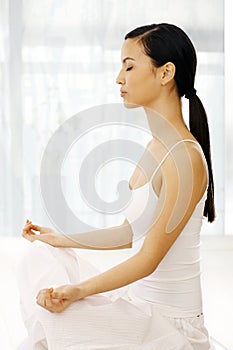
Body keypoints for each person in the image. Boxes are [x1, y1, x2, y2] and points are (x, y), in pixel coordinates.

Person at [17, 23, 216, 350]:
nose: (118, 78)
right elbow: (130, 233)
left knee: (54, 321)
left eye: (129, 65)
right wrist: (61, 238)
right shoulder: (156, 146)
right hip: (138, 307)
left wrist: (79, 291)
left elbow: (149, 258)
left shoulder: (184, 156)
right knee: (39, 257)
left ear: (165, 73)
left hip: (169, 325)